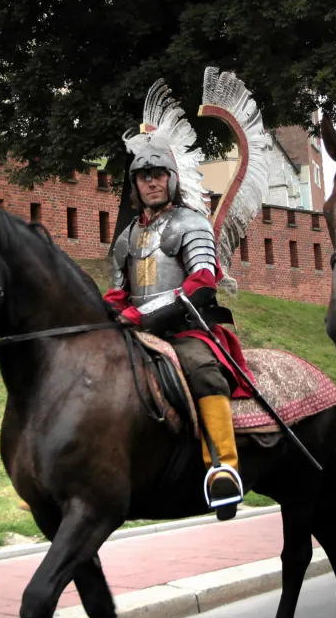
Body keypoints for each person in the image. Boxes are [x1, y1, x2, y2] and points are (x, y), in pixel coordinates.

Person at [106, 86, 250, 516]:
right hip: (133, 330)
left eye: (158, 174)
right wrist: (109, 316)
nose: (151, 181)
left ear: (172, 179)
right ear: (134, 184)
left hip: (188, 329)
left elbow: (203, 283)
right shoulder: (127, 238)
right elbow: (117, 293)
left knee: (204, 371)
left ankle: (223, 468)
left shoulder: (191, 223)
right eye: (143, 176)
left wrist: (139, 315)